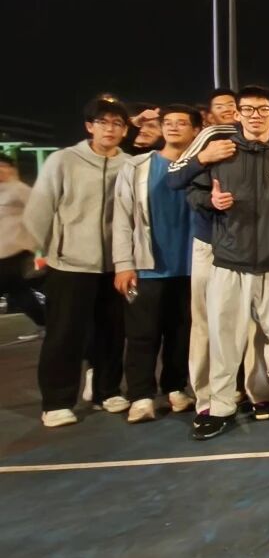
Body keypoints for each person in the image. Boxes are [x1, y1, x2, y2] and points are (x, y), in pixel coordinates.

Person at [187, 86, 269, 439]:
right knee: (224, 336)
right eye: (249, 110)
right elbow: (192, 192)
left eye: (263, 109)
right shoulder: (220, 152)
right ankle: (221, 405)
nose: (256, 115)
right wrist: (211, 202)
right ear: (238, 114)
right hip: (229, 261)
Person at [25, 97, 132, 427]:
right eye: (102, 122)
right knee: (64, 335)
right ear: (89, 126)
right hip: (69, 264)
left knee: (112, 332)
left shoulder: (130, 165)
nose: (109, 129)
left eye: (117, 123)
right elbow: (40, 208)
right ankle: (57, 402)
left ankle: (106, 391)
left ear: (125, 130)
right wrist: (43, 251)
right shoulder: (63, 160)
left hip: (116, 266)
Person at [112, 104, 201, 423]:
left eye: (182, 123)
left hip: (191, 267)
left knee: (183, 331)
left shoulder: (202, 166)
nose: (174, 127)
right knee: (142, 334)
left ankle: (175, 387)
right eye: (168, 122)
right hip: (147, 266)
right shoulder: (137, 166)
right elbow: (122, 218)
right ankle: (140, 395)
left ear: (196, 130)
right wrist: (123, 263)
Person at [0, 154, 44, 330]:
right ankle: (48, 321)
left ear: (12, 169)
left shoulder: (19, 189)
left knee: (17, 288)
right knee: (18, 291)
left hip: (16, 250)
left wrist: (37, 241)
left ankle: (49, 321)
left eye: (3, 166)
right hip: (4, 252)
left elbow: (40, 212)